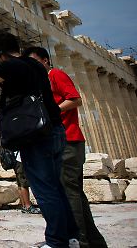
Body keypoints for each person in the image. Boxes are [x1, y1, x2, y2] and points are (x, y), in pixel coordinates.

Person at [0, 33, 78, 248]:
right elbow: (9, 86)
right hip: (55, 129)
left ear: (1, 54)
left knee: (44, 189)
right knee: (56, 187)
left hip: (35, 135)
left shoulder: (11, 66)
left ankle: (57, 242)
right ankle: (71, 237)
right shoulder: (35, 65)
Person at [24, 46, 108, 248]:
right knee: (75, 193)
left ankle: (76, 240)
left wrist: (49, 112)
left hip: (68, 140)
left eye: (35, 61)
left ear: (45, 61)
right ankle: (93, 242)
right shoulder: (42, 82)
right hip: (63, 141)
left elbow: (75, 99)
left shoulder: (55, 75)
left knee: (68, 195)